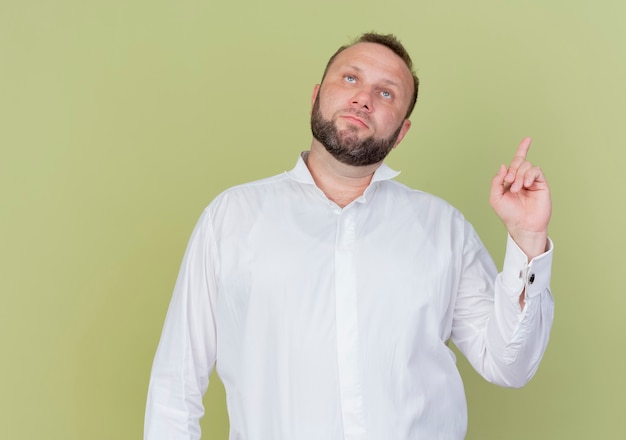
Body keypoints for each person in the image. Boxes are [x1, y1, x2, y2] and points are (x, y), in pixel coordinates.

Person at [144, 32, 554, 440]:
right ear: (316, 95)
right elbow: (175, 387)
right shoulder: (231, 218)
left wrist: (527, 239)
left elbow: (509, 365)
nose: (363, 99)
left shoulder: (443, 230)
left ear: (402, 131)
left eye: (387, 93)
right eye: (351, 79)